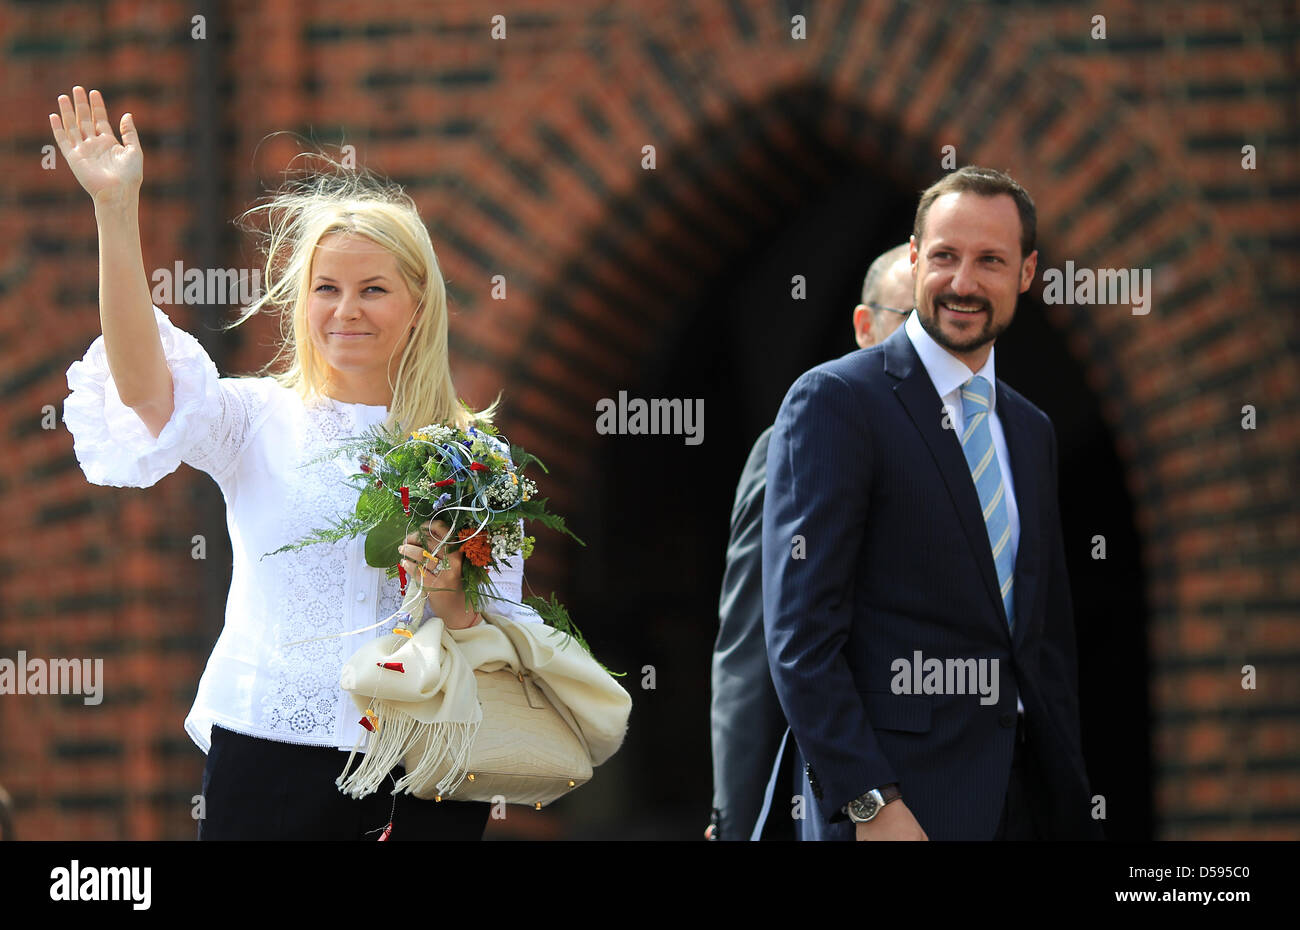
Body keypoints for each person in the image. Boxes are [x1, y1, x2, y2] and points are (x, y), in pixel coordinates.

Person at [52, 85, 538, 840]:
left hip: (428, 771)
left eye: (373, 289)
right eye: (327, 289)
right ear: (301, 303)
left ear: (418, 304)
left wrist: (449, 590)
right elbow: (146, 389)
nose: (347, 310)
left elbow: (497, 637)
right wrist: (115, 212)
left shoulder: (477, 456)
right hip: (267, 760)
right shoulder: (255, 418)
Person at [762, 166, 1102, 841]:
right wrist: (870, 803)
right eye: (944, 256)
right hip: (895, 811)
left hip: (1022, 806)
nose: (964, 283)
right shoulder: (836, 402)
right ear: (915, 259)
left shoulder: (1031, 431)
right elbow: (800, 636)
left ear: (1027, 273)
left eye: (991, 261)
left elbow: (1045, 647)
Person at [708, 243, 912, 841]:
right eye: (909, 321)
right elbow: (753, 645)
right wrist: (737, 819)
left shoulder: (1000, 438)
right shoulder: (802, 439)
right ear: (865, 327)